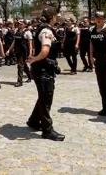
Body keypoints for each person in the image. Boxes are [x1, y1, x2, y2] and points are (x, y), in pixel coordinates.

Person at [26, 7, 65, 141]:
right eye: (56, 16)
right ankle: (47, 130)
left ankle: (33, 121)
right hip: (43, 69)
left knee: (43, 97)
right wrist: (35, 59)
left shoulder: (42, 28)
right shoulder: (47, 31)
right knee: (46, 99)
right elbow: (45, 50)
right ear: (53, 17)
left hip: (42, 68)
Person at [6, 20, 33, 87]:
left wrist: (30, 53)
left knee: (20, 65)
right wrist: (9, 50)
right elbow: (14, 42)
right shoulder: (17, 31)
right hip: (17, 51)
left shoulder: (27, 32)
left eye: (21, 24)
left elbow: (30, 44)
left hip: (24, 51)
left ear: (25, 24)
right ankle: (30, 76)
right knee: (23, 65)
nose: (19, 25)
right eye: (18, 24)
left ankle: (19, 81)